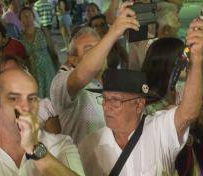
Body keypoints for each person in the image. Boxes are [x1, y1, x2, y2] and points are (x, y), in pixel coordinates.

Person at [78, 18, 203, 176]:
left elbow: (189, 112)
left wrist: (197, 58)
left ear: (139, 105)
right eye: (105, 99)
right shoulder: (90, 146)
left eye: (117, 101)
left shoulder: (158, 130)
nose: (108, 107)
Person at [50, 8, 139, 146]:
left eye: (99, 47)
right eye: (89, 50)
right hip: (84, 165)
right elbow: (83, 73)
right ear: (73, 59)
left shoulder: (113, 80)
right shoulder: (61, 83)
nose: (99, 53)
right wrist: (113, 32)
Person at [18, 6, 59, 99]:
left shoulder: (43, 31)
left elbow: (52, 51)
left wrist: (58, 69)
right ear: (20, 20)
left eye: (29, 15)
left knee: (52, 97)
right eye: (24, 16)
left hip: (48, 71)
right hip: (33, 72)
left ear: (34, 17)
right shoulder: (20, 38)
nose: (27, 18)